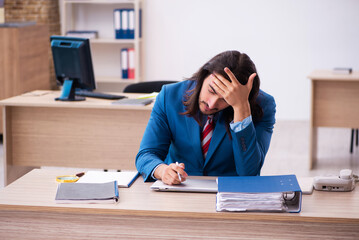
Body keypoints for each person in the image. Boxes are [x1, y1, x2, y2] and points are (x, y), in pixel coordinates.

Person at [135, 50, 276, 185]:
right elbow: (146, 155)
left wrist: (241, 108)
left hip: (229, 194)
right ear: (204, 76)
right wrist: (162, 170)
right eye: (211, 90)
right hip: (179, 188)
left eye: (225, 99)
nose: (212, 103)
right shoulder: (169, 96)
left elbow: (249, 173)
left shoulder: (263, 105)